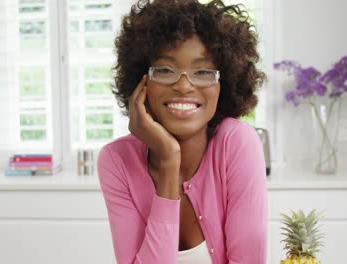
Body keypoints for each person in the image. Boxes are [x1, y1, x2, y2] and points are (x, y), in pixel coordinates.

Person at [97, 0, 268, 263]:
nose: (184, 86)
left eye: (202, 71)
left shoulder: (238, 143)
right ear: (141, 83)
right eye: (165, 70)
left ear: (223, 84)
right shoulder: (116, 160)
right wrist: (168, 163)